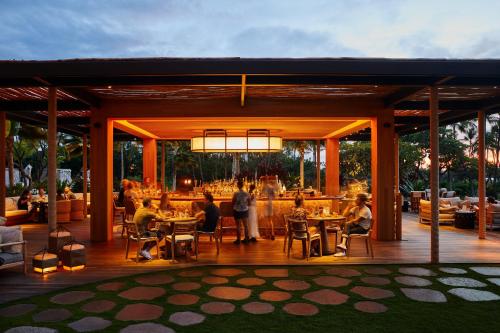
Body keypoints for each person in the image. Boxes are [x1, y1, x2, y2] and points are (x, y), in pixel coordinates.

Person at [335, 193, 372, 257]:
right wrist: (348, 206)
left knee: (346, 229)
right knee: (346, 228)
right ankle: (343, 246)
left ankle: (343, 250)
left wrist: (348, 222)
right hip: (357, 226)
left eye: (357, 199)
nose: (355, 200)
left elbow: (357, 220)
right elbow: (344, 215)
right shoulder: (356, 208)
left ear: (362, 201)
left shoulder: (366, 210)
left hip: (363, 229)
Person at [232, 179, 250, 244]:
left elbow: (233, 202)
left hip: (237, 210)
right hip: (245, 210)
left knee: (238, 226)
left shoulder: (236, 193)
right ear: (243, 185)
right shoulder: (246, 193)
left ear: (238, 185)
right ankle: (246, 239)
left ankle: (238, 240)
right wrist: (245, 205)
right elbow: (249, 203)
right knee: (246, 226)